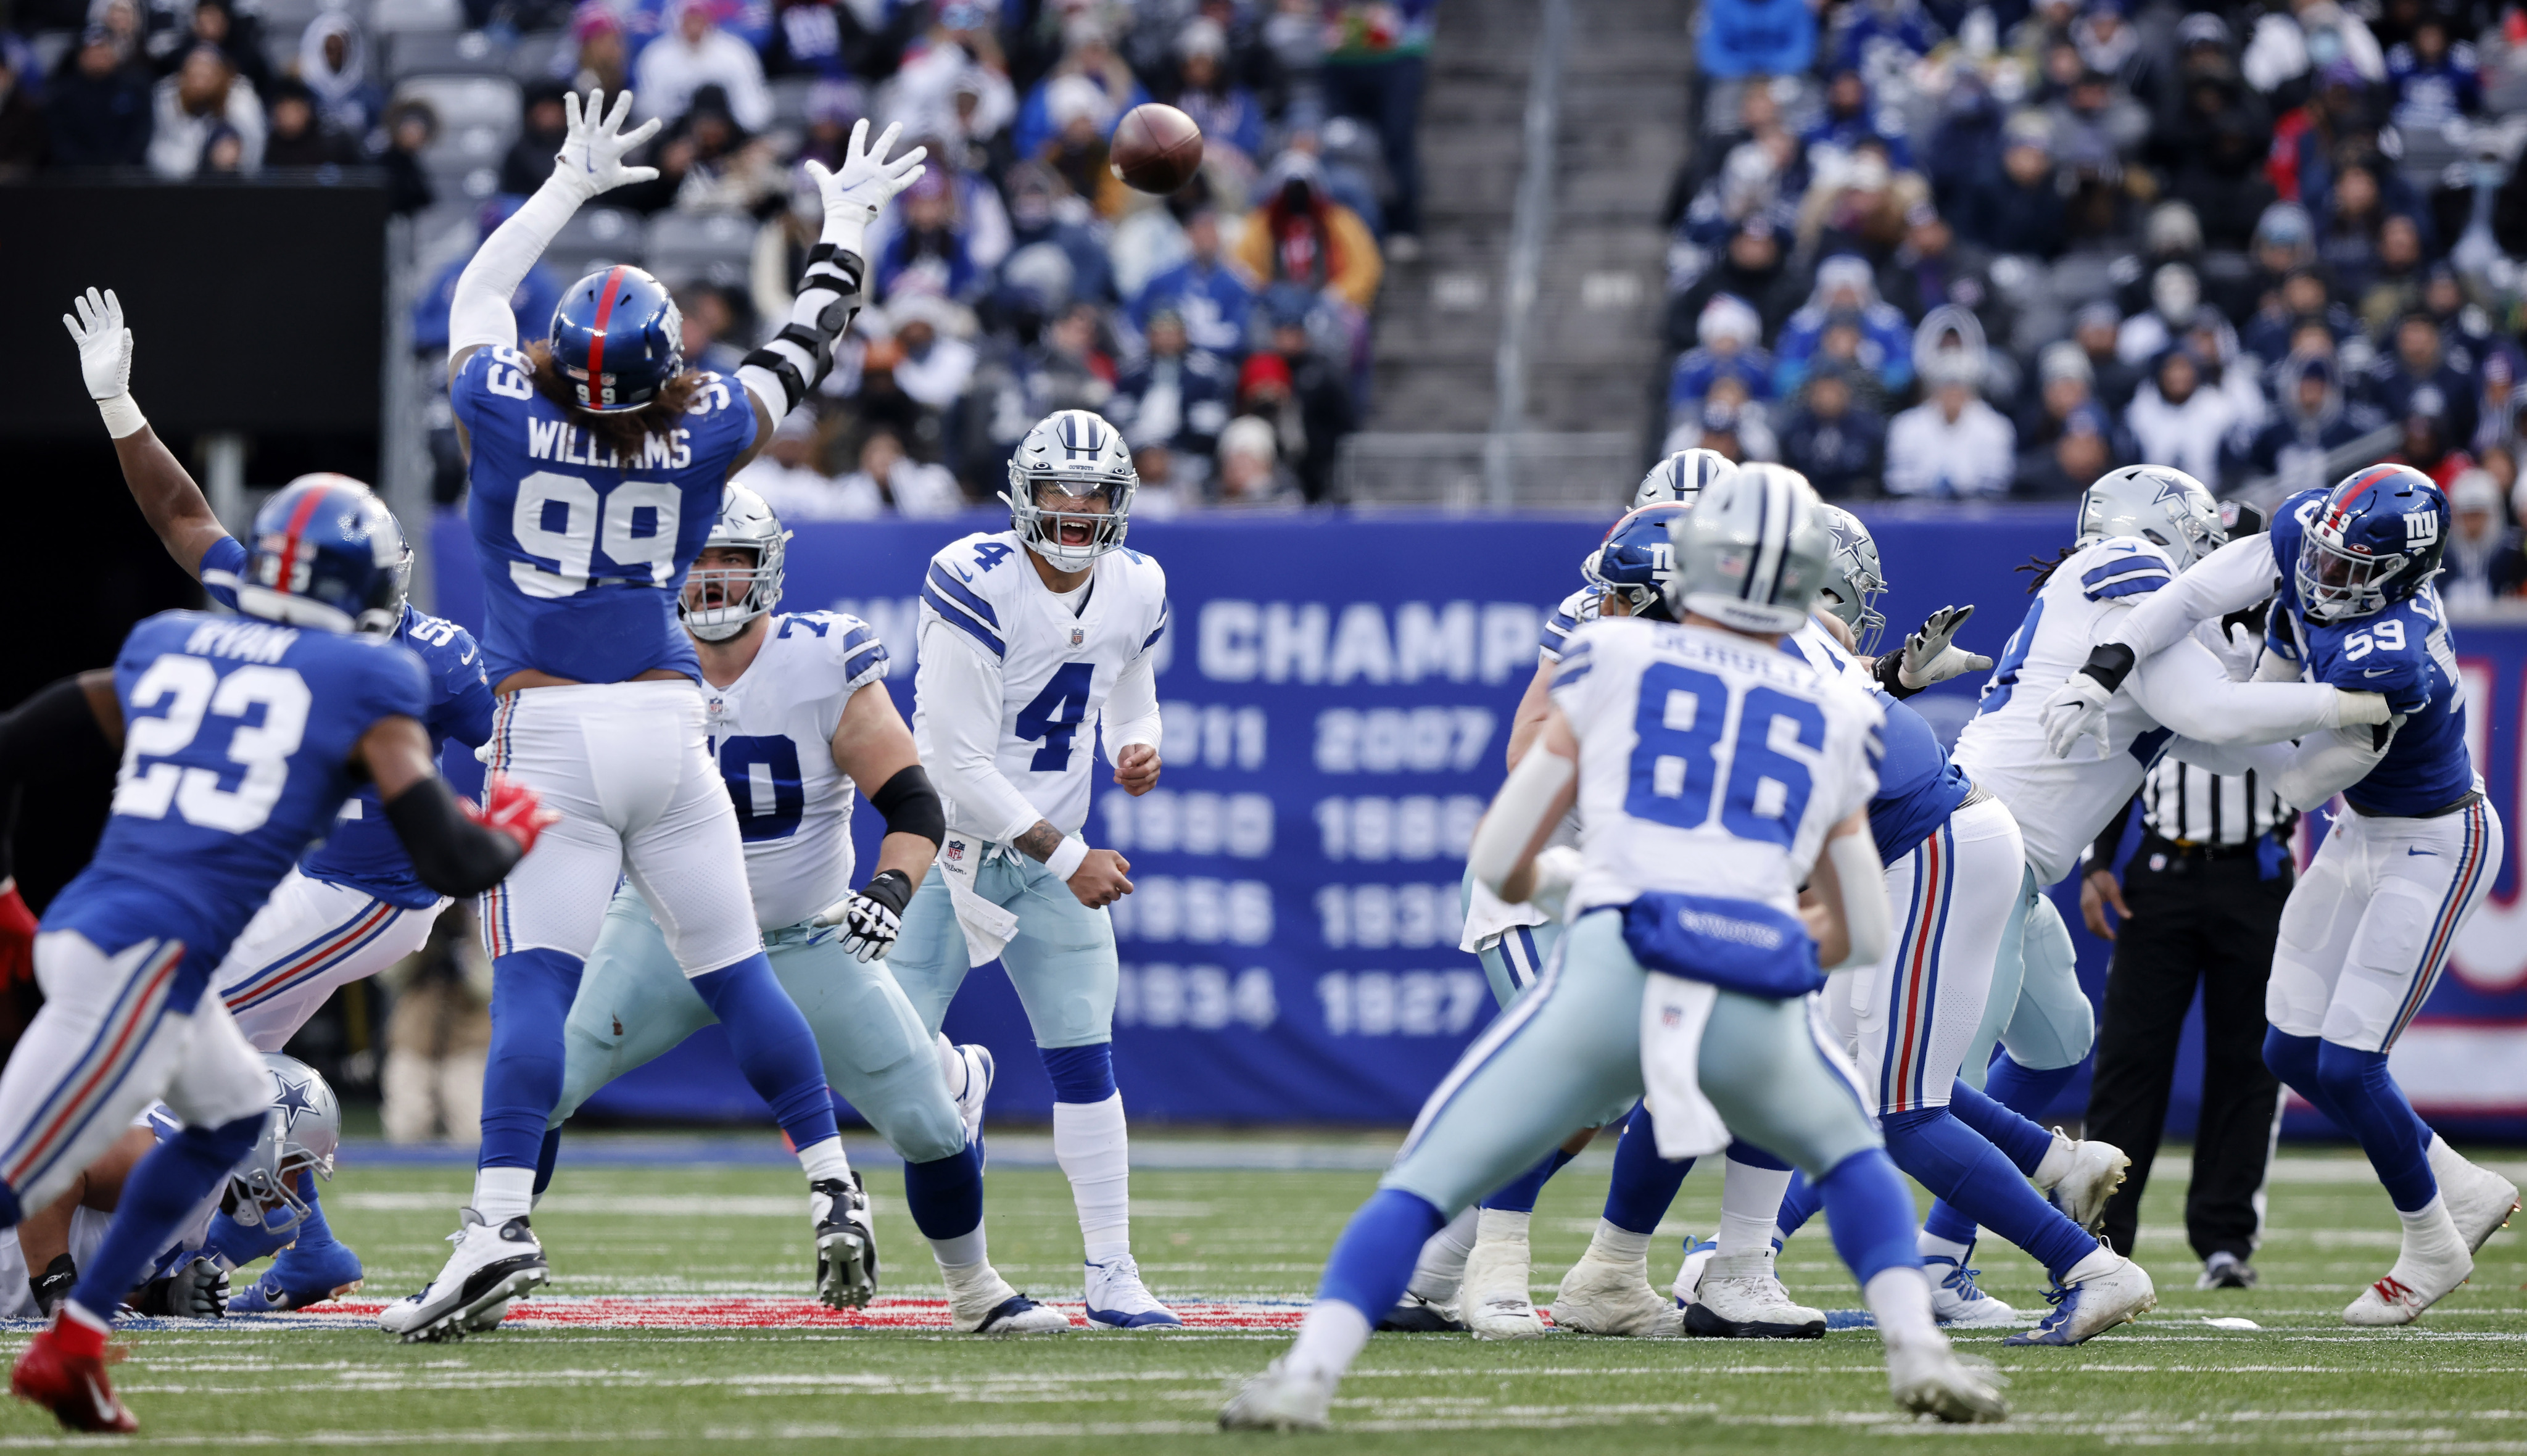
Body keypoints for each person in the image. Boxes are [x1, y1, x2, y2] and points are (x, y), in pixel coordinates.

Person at [1221, 465, 2009, 1430]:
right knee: (1848, 1156)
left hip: (1619, 953)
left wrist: (1573, 886)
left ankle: (1310, 1374)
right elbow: (1857, 925)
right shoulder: (1843, 705)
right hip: (1751, 968)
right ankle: (1921, 1353)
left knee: (1433, 1167)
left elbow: (1505, 856)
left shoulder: (1610, 662)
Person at [392, 94, 927, 1342]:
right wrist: (844, 226)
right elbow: (804, 346)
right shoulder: (696, 436)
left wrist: (568, 187)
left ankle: (496, 1224)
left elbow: (477, 293)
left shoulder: (498, 410)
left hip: (548, 737)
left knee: (534, 988)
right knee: (739, 974)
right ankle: (834, 1186)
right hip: (668, 727)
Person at [0, 444, 541, 1429]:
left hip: (141, 922)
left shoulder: (173, 640)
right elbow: (451, 853)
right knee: (55, 1151)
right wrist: (514, 841)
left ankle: (76, 1335)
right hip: (148, 943)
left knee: (225, 1111)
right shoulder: (368, 680)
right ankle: (73, 1303)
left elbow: (25, 736)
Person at [541, 487, 1069, 1336]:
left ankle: (973, 1288)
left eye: (731, 560)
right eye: (697, 560)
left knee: (932, 1128)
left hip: (802, 935)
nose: (712, 581)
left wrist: (890, 893)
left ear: (769, 568)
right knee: (542, 1081)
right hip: (660, 930)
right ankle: (490, 1245)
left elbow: (914, 805)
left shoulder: (821, 660)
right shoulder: (624, 653)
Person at [90, 312, 500, 1313]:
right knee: (215, 1051)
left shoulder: (436, 656)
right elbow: (185, 520)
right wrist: (118, 406)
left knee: (168, 1030)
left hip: (365, 887)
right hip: (295, 877)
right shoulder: (292, 614)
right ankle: (299, 1241)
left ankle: (186, 1251)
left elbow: (508, 757)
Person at [2046, 465, 2524, 1324]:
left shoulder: (2391, 657)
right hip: (2361, 834)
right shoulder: (2310, 532)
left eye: (2350, 569)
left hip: (2435, 840)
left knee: (2348, 1060)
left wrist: (2197, 710)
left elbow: (2298, 784)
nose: (2322, 575)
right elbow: (2191, 593)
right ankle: (2463, 1185)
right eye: (2324, 555)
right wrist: (2118, 659)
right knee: (2289, 1052)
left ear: (2400, 577)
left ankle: (2432, 1242)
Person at [1945, 465, 2394, 1280]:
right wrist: (2347, 704)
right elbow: (2215, 713)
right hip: (1980, 845)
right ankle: (1890, 1256)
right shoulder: (2127, 572)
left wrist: (2353, 745)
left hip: (2015, 860)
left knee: (2059, 1045)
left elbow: (2264, 760)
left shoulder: (2148, 626)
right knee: (1922, 1091)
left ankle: (1951, 1256)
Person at [1760, 510, 2149, 1339]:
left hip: (1934, 845)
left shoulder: (1742, 644)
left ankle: (2090, 1268)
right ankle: (2054, 1164)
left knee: (1905, 1109)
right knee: (1849, 1074)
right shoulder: (1781, 639)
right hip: (1932, 843)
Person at [883, 408, 1179, 1329]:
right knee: (881, 1063)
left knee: (1087, 1060)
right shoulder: (974, 582)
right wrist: (1071, 854)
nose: (1080, 508)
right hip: (954, 855)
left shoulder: (1134, 585)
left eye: (1096, 493)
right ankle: (956, 1085)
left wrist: (1136, 747)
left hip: (1054, 855)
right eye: (1062, 489)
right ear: (1025, 493)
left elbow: (1133, 696)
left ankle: (1112, 1272)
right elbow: (956, 767)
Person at [2079, 529, 2296, 1287]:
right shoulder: (2169, 622)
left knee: (2249, 1060)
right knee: (2131, 1060)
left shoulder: (2293, 628)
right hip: (2163, 869)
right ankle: (2103, 1241)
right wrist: (2099, 861)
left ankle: (2225, 1239)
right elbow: (2125, 746)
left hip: (2258, 867)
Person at [1, 1056, 349, 1322]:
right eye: (295, 1169)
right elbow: (46, 1171)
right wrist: (60, 1294)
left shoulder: (204, 1186)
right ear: (260, 1146)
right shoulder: (171, 1150)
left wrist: (161, 1297)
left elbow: (96, 1262)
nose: (294, 1188)